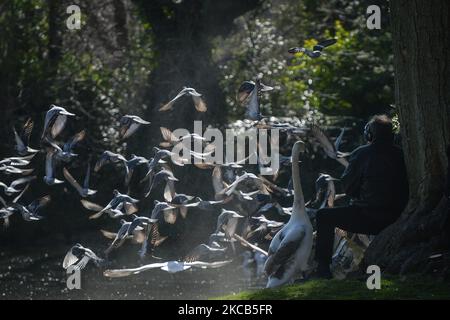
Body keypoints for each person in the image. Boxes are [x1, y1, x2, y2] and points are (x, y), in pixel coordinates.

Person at [315, 115, 409, 278]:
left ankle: (323, 270)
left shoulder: (362, 153)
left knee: (323, 216)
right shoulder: (402, 154)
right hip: (397, 217)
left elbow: (349, 188)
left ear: (369, 135)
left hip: (368, 217)